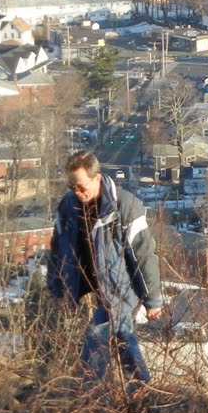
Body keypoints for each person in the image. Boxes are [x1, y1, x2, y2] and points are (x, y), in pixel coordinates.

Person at [47, 150, 162, 391]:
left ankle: (93, 394)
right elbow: (57, 251)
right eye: (72, 186)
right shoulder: (67, 208)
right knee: (122, 337)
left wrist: (152, 299)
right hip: (93, 284)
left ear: (96, 178)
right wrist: (58, 291)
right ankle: (140, 392)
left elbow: (143, 254)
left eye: (81, 186)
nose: (77, 193)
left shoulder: (125, 206)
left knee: (97, 336)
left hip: (121, 286)